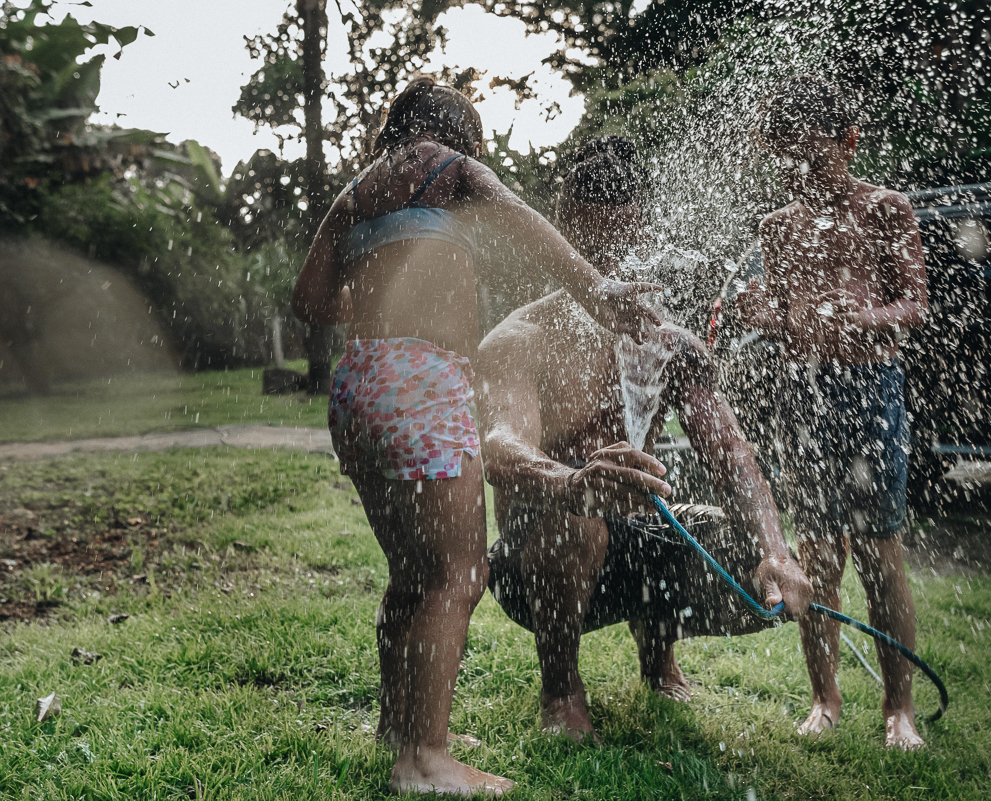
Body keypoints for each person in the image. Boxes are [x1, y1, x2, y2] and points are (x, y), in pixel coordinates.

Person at [291, 79, 661, 796]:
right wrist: (600, 292)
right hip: (423, 383)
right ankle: (426, 758)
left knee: (410, 571)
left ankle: (399, 727)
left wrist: (377, 292)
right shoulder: (448, 165)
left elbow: (308, 302)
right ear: (461, 135)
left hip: (359, 385)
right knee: (459, 572)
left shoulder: (357, 194)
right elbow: (525, 221)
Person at [475, 137, 813, 743]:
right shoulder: (519, 338)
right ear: (562, 234)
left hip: (635, 536)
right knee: (575, 518)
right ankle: (561, 689)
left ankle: (658, 661)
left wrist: (774, 549)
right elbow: (499, 447)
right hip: (538, 555)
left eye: (623, 243)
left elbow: (732, 454)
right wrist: (573, 480)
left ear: (644, 231)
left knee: (731, 533)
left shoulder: (668, 341)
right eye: (594, 244)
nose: (611, 262)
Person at [735, 76, 929, 749]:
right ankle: (825, 696)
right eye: (787, 159)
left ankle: (897, 709)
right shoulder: (776, 227)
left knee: (879, 553)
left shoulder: (886, 209)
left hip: (869, 389)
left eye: (814, 159)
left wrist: (868, 314)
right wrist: (764, 316)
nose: (801, 173)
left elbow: (914, 306)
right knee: (816, 554)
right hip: (804, 394)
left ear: (848, 143)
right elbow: (790, 330)